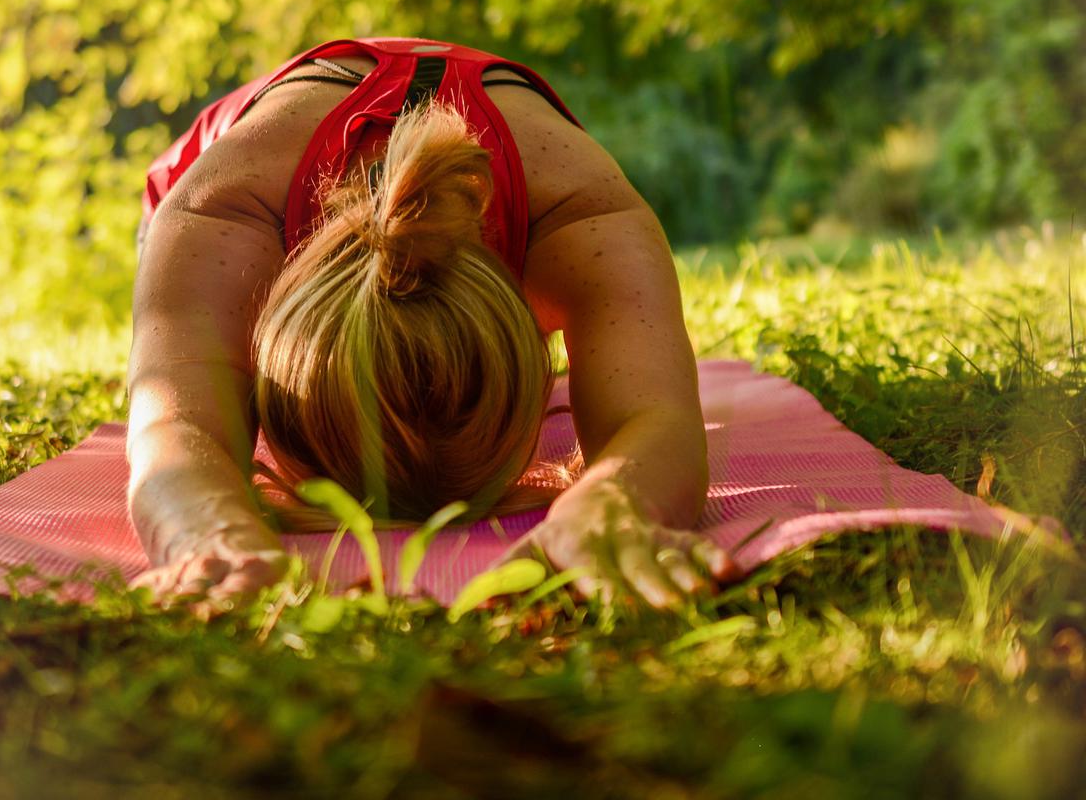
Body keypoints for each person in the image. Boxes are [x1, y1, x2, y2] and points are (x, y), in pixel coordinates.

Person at [126, 36, 739, 610]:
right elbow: (172, 425)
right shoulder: (223, 209)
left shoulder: (582, 215)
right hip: (233, 165)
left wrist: (615, 505)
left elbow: (656, 420)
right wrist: (207, 529)